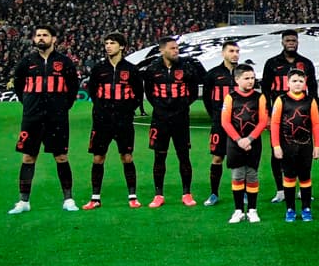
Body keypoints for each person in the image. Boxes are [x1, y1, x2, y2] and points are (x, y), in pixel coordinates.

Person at [8, 24, 81, 214]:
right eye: (38, 35)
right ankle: (24, 201)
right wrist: (30, 105)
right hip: (32, 118)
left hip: (57, 118)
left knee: (61, 157)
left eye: (45, 35)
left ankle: (68, 199)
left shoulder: (65, 62)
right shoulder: (26, 62)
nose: (41, 38)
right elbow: (18, 86)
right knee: (28, 157)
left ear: (54, 39)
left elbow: (73, 88)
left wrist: (62, 107)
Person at [83, 32, 143, 210]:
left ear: (122, 46)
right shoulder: (99, 69)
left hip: (123, 121)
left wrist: (125, 111)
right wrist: (102, 110)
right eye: (106, 43)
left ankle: (132, 196)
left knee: (126, 157)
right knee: (98, 158)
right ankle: (95, 198)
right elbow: (93, 92)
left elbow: (138, 95)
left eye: (112, 43)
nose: (108, 46)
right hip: (102, 122)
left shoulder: (131, 70)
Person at [143, 36, 205, 208]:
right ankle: (158, 195)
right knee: (159, 157)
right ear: (162, 50)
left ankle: (187, 193)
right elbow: (149, 92)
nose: (175, 51)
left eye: (177, 48)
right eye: (172, 48)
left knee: (184, 156)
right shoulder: (153, 68)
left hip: (181, 119)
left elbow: (193, 91)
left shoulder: (186, 67)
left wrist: (182, 105)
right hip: (160, 120)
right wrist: (161, 107)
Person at [261, 29, 317, 205]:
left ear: (298, 42)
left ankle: (302, 188)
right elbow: (265, 91)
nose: (291, 42)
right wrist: (268, 115)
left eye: (294, 40)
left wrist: (313, 111)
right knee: (277, 153)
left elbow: (313, 89)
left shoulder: (306, 63)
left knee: (302, 153)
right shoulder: (272, 63)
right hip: (280, 115)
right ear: (282, 42)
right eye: (288, 40)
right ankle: (281, 190)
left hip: (302, 115)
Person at [269, 69, 319, 222]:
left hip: (306, 146)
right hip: (287, 146)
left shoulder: (310, 100)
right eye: (294, 81)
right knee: (289, 177)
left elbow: (316, 124)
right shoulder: (281, 100)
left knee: (305, 177)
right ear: (288, 83)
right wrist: (276, 145)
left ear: (305, 83)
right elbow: (275, 123)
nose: (297, 84)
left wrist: (317, 145)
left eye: (300, 81)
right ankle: (290, 209)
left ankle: (306, 208)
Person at [219, 64, 268, 224]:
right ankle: (238, 210)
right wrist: (239, 140)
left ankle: (252, 210)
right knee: (238, 176)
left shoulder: (259, 97)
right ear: (237, 79)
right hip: (235, 143)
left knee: (252, 175)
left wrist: (250, 139)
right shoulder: (230, 97)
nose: (250, 81)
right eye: (246, 78)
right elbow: (225, 122)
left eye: (252, 78)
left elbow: (262, 121)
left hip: (253, 143)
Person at [202, 39, 240, 207]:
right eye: (231, 51)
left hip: (240, 124)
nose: (235, 54)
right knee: (217, 158)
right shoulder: (212, 74)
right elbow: (206, 99)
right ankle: (214, 193)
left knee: (240, 160)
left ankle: (243, 193)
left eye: (237, 51)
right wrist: (217, 116)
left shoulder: (243, 73)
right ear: (223, 53)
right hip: (219, 123)